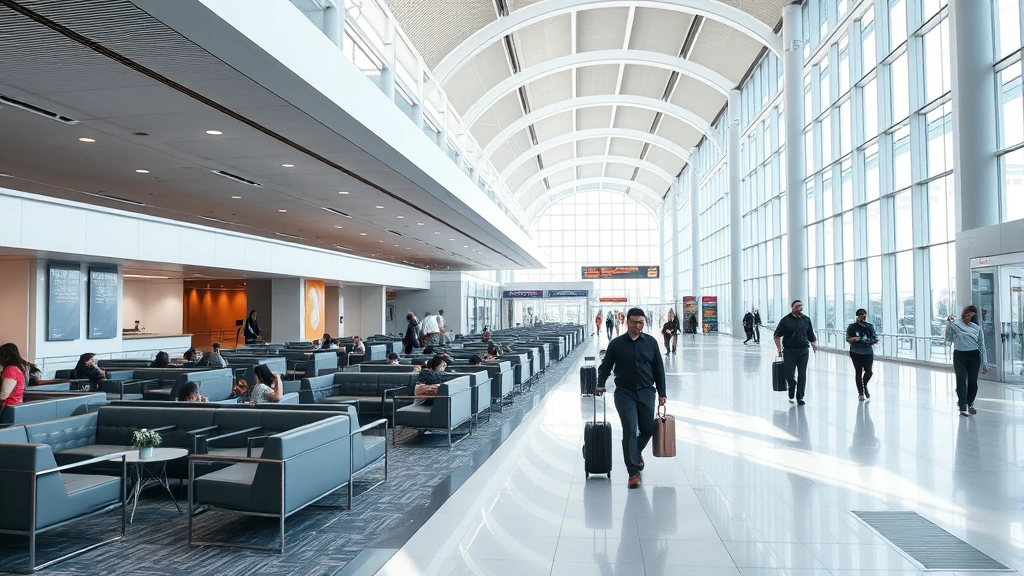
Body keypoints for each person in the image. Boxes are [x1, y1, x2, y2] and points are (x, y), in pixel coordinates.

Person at [596, 308, 667, 489]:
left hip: (646, 392)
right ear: (627, 321)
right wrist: (600, 383)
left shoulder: (651, 342)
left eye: (641, 322)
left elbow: (659, 369)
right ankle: (633, 472)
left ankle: (635, 452)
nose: (638, 325)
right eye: (635, 322)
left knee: (648, 429)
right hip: (624, 393)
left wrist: (662, 393)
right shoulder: (616, 344)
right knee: (629, 428)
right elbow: (605, 366)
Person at [773, 300, 819, 406]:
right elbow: (777, 335)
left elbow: (810, 334)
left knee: (802, 374)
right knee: (789, 374)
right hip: (789, 351)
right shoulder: (785, 320)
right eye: (797, 306)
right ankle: (792, 385)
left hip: (803, 350)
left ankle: (800, 396)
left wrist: (813, 343)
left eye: (801, 306)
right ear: (792, 308)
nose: (800, 308)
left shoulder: (806, 319)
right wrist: (779, 348)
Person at [945, 304, 987, 416]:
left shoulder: (977, 328)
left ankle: (970, 402)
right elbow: (948, 339)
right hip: (960, 356)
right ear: (963, 314)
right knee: (961, 379)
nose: (968, 316)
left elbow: (981, 345)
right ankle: (962, 405)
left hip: (974, 356)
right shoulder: (955, 325)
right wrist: (948, 325)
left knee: (973, 381)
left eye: (971, 314)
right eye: (967, 313)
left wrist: (984, 363)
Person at [846, 308, 879, 401]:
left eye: (863, 315)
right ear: (857, 316)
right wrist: (854, 339)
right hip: (856, 352)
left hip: (868, 351)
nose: (862, 316)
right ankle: (860, 392)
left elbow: (874, 337)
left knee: (869, 371)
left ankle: (864, 386)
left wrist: (874, 341)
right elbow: (848, 338)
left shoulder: (870, 326)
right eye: (860, 315)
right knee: (858, 372)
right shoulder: (852, 327)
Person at [0, 343, 29, 410]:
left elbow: (4, 395)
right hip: (16, 405)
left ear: (6, 357)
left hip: (7, 406)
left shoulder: (10, 370)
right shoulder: (18, 368)